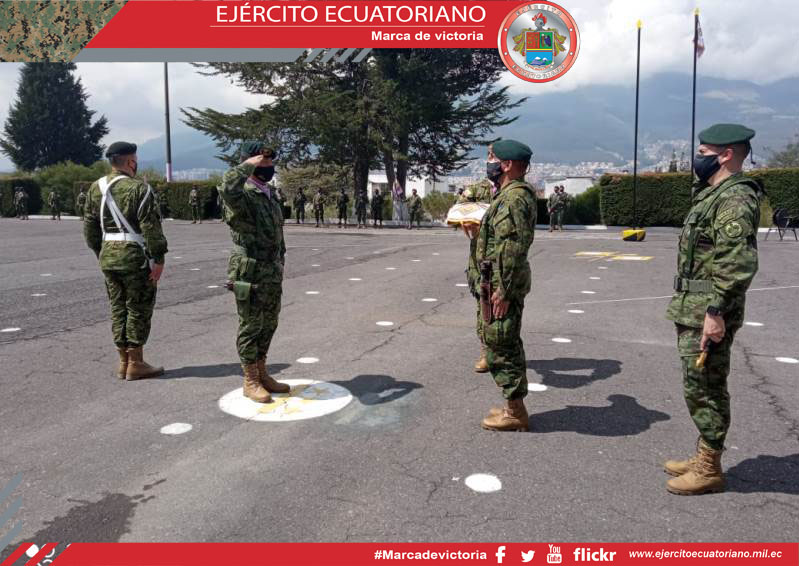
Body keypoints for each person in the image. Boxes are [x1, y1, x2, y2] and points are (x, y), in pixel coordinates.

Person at [664, 124, 763, 496]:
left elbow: (736, 262)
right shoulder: (713, 193)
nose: (698, 158)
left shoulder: (735, 198)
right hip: (694, 306)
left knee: (706, 385)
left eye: (704, 153)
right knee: (698, 383)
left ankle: (710, 468)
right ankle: (704, 453)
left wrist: (716, 312)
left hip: (709, 309)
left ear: (726, 155)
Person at [464, 140, 537, 432]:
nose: (489, 163)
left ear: (506, 165)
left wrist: (503, 290)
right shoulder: (511, 195)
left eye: (494, 158)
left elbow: (512, 248)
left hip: (500, 284)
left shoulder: (513, 199)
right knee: (502, 340)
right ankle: (512, 406)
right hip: (496, 280)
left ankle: (515, 411)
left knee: (502, 343)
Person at [83, 141, 167, 380]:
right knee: (138, 308)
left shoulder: (95, 188)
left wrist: (102, 253)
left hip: (108, 255)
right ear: (131, 162)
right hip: (135, 256)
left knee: (118, 307)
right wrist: (158, 258)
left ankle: (123, 362)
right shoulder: (140, 189)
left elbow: (90, 228)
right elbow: (151, 228)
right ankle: (136, 363)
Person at [218, 141, 290, 403]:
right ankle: (250, 380)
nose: (269, 165)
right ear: (251, 161)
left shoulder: (269, 193)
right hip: (249, 268)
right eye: (264, 160)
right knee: (251, 324)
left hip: (271, 268)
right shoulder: (243, 194)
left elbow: (277, 232)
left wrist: (281, 258)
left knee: (269, 323)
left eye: (271, 161)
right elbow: (227, 187)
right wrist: (247, 166)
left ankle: (262, 372)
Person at [459, 178, 494, 373]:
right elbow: (459, 210)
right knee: (483, 305)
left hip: (504, 256)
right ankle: (486, 352)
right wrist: (467, 222)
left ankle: (503, 352)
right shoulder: (476, 189)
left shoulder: (514, 188)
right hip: (480, 257)